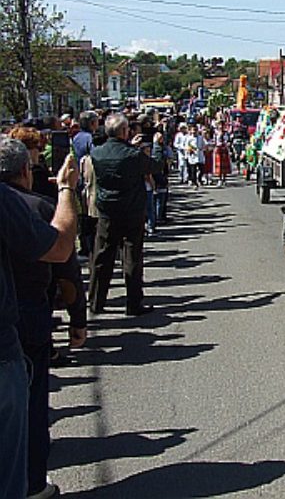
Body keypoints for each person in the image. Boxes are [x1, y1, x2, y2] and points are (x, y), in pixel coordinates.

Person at [0, 139, 78, 499]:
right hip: (16, 332)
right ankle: (32, 485)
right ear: (26, 171)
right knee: (25, 421)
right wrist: (66, 191)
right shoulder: (20, 205)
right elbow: (62, 252)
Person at [88, 114, 163, 316]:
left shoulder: (97, 153)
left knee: (102, 256)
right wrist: (153, 146)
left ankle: (95, 301)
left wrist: (130, 146)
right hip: (131, 211)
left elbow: (117, 155)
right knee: (132, 257)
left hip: (107, 210)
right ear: (124, 132)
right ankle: (134, 303)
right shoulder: (132, 154)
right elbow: (155, 166)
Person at [185, 124, 205, 189]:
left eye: (195, 130)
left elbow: (203, 145)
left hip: (199, 155)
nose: (194, 132)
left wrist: (202, 149)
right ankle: (194, 183)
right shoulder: (189, 138)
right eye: (193, 130)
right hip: (192, 156)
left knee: (202, 170)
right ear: (190, 131)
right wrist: (189, 150)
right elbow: (186, 146)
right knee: (193, 170)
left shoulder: (200, 137)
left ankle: (199, 179)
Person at [212, 121, 231, 187]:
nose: (221, 127)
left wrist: (227, 144)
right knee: (219, 165)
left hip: (224, 148)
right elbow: (214, 141)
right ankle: (220, 179)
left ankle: (224, 179)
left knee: (225, 165)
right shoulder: (216, 133)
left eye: (222, 125)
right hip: (218, 148)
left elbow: (228, 141)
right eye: (220, 125)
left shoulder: (226, 133)